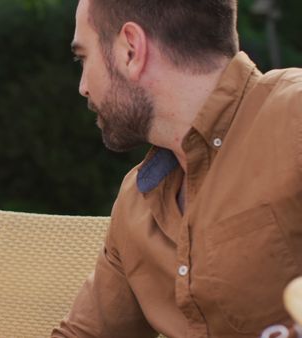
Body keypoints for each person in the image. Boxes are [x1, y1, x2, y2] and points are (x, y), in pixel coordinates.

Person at [52, 0, 302, 337]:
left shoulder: (293, 118)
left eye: (83, 58)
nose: (83, 86)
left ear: (131, 50)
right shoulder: (136, 202)